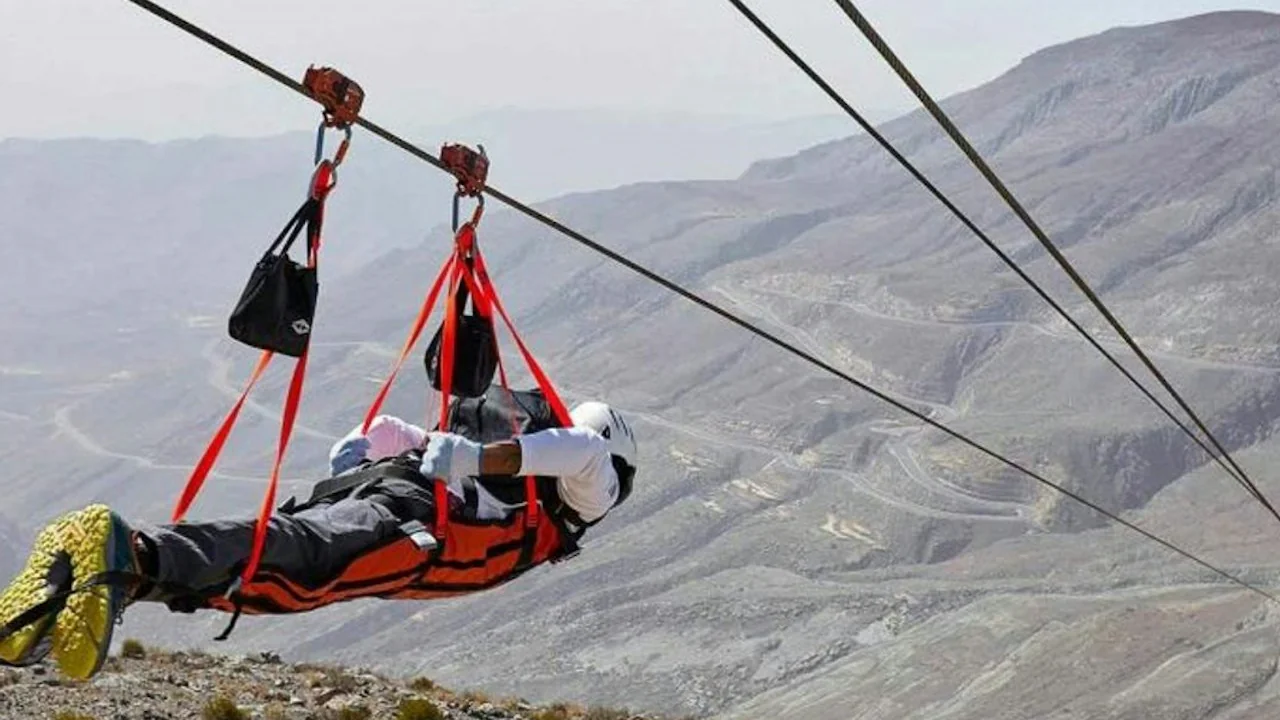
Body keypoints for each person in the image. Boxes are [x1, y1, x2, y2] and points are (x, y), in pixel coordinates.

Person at [0, 387, 637, 682]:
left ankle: (76, 580)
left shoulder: (528, 483)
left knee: (287, 552)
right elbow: (582, 451)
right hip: (418, 527)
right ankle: (128, 556)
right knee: (295, 571)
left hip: (404, 502)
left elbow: (405, 439)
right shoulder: (586, 486)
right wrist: (470, 458)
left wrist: (376, 452)